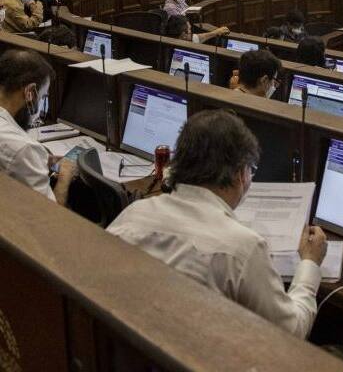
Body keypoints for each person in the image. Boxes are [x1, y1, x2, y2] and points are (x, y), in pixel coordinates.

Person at [107, 110, 327, 338]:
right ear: (241, 174)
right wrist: (310, 265)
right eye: (251, 170)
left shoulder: (131, 216)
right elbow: (291, 331)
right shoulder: (244, 248)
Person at [0, 49, 75, 204]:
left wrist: (36, 161)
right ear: (30, 92)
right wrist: (64, 177)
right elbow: (49, 217)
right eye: (42, 97)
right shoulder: (24, 148)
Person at [164, 14, 229, 44]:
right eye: (189, 29)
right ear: (184, 35)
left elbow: (197, 38)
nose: (191, 31)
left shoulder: (170, 40)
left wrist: (215, 32)